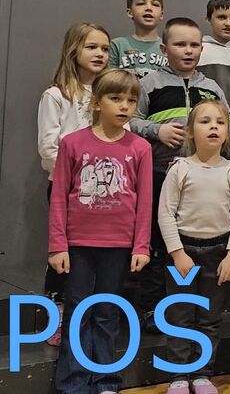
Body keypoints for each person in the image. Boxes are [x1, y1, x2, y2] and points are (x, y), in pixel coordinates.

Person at [48, 69, 152, 394]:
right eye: (115, 98)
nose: (124, 106)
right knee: (77, 311)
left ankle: (106, 381)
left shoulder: (140, 148)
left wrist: (141, 246)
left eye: (131, 101)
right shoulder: (72, 143)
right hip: (78, 245)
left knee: (108, 312)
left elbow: (145, 202)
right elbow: (59, 196)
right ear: (96, 102)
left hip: (119, 246)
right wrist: (57, 245)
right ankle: (73, 384)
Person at [131, 17, 230, 332]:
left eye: (194, 45)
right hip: (160, 173)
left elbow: (228, 123)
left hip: (202, 179)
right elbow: (130, 120)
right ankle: (151, 308)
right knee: (158, 242)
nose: (188, 51)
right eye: (180, 44)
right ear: (164, 49)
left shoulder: (211, 87)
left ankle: (190, 310)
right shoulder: (150, 83)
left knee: (191, 246)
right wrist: (156, 130)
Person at [157, 100, 230, 394]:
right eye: (205, 121)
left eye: (220, 122)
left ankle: (202, 374)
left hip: (218, 252)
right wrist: (178, 253)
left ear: (227, 132)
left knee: (210, 318)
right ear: (190, 131)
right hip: (184, 252)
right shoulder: (180, 168)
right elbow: (165, 213)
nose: (213, 127)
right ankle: (179, 376)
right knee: (180, 316)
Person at [37, 22, 111, 346]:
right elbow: (48, 148)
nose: (99, 54)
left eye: (105, 49)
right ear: (73, 51)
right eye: (91, 47)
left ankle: (89, 316)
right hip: (67, 189)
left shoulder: (107, 96)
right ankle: (56, 318)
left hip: (103, 193)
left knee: (94, 257)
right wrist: (79, 176)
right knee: (63, 254)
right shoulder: (56, 96)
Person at [109, 0, 168, 77]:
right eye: (141, 3)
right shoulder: (117, 45)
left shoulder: (169, 48)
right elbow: (109, 80)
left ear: (161, 15)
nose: (149, 8)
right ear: (130, 12)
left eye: (155, 4)